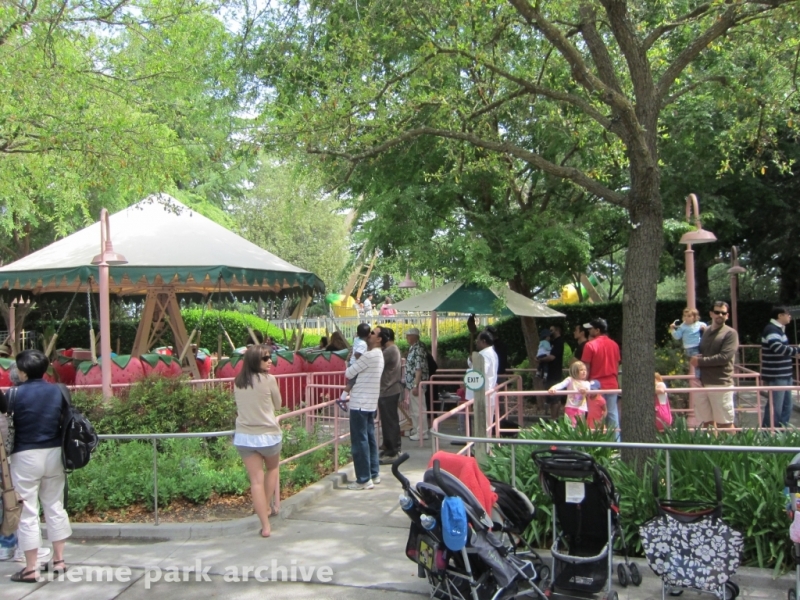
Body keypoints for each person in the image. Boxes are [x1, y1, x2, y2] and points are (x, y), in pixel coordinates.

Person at [0, 350, 71, 582]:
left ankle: (31, 569)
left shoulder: (12, 394)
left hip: (25, 456)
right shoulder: (59, 391)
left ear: (22, 372)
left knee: (28, 511)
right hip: (54, 454)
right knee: (55, 506)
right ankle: (59, 561)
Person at [233, 345, 283, 538]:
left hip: (244, 436)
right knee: (272, 469)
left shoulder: (238, 381)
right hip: (269, 435)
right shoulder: (270, 380)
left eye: (270, 357)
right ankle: (267, 505)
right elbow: (278, 405)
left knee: (255, 481)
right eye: (265, 358)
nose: (270, 360)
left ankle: (265, 526)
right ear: (255, 361)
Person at [344, 327, 384, 489]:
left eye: (373, 333)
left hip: (359, 403)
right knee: (369, 439)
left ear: (379, 339)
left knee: (359, 441)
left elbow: (349, 373)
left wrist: (352, 357)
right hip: (369, 403)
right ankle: (373, 474)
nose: (369, 335)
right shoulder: (378, 355)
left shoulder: (369, 355)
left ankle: (363, 479)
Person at [690, 301, 739, 431]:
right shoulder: (705, 332)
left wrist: (699, 362)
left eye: (723, 313)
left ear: (727, 316)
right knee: (706, 423)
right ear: (711, 314)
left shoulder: (730, 333)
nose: (720, 315)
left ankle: (732, 451)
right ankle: (712, 451)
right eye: (717, 312)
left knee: (725, 423)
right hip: (702, 382)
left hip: (720, 383)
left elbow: (724, 358)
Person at [581, 318, 621, 439]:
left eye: (591, 328)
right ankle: (616, 442)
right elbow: (617, 363)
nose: (589, 331)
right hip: (612, 384)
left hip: (596, 386)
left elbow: (586, 366)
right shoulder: (614, 344)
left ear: (597, 330)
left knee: (595, 415)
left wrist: (584, 384)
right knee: (612, 413)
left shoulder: (590, 345)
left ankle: (597, 441)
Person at [760, 306, 799, 428]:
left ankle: (781, 433)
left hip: (784, 374)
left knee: (787, 405)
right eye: (787, 314)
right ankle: (769, 433)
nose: (789, 317)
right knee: (775, 406)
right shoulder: (772, 329)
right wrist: (797, 349)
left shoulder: (778, 330)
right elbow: (778, 349)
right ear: (780, 316)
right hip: (777, 374)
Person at [377, 327, 402, 464]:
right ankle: (390, 447)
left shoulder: (389, 351)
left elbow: (375, 362)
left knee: (389, 421)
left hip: (388, 390)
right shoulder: (392, 349)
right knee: (389, 421)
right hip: (390, 390)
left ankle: (393, 450)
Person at [466, 331, 499, 425]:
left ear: (483, 341)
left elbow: (480, 372)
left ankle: (484, 440)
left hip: (483, 393)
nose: (476, 343)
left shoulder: (485, 354)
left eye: (478, 341)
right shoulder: (491, 353)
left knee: (483, 424)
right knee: (486, 424)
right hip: (488, 392)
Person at [404, 328, 430, 441]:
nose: (406, 338)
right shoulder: (413, 347)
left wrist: (416, 385)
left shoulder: (418, 348)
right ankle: (416, 429)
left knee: (419, 408)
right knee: (414, 409)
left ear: (414, 336)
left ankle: (422, 432)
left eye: (408, 335)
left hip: (416, 384)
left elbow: (418, 368)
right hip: (411, 383)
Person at [548, 360, 592, 425]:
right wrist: (553, 388)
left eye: (585, 370)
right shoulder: (570, 379)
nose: (584, 372)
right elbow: (561, 384)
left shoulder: (587, 383)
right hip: (570, 407)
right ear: (575, 371)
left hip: (581, 408)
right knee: (571, 426)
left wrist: (585, 390)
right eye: (581, 370)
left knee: (581, 427)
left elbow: (588, 390)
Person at [670, 308, 707, 377]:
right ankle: (699, 378)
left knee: (701, 363)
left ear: (695, 317)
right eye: (685, 316)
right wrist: (672, 329)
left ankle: (702, 377)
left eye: (689, 316)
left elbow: (706, 328)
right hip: (690, 348)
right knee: (697, 364)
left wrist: (704, 329)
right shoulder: (682, 326)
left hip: (699, 346)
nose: (686, 318)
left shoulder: (699, 324)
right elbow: (677, 336)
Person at [539, 324, 566, 420]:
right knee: (551, 398)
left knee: (555, 398)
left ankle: (555, 419)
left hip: (555, 374)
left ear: (558, 330)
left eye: (552, 330)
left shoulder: (559, 342)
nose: (550, 333)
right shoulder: (552, 342)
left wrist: (540, 360)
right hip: (549, 374)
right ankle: (553, 418)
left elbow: (552, 357)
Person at [340, 323, 371, 405]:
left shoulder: (356, 339)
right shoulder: (363, 344)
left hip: (351, 363)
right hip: (355, 365)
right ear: (368, 335)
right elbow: (357, 354)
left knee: (353, 382)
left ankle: (346, 398)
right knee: (351, 382)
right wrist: (361, 362)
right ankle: (342, 399)